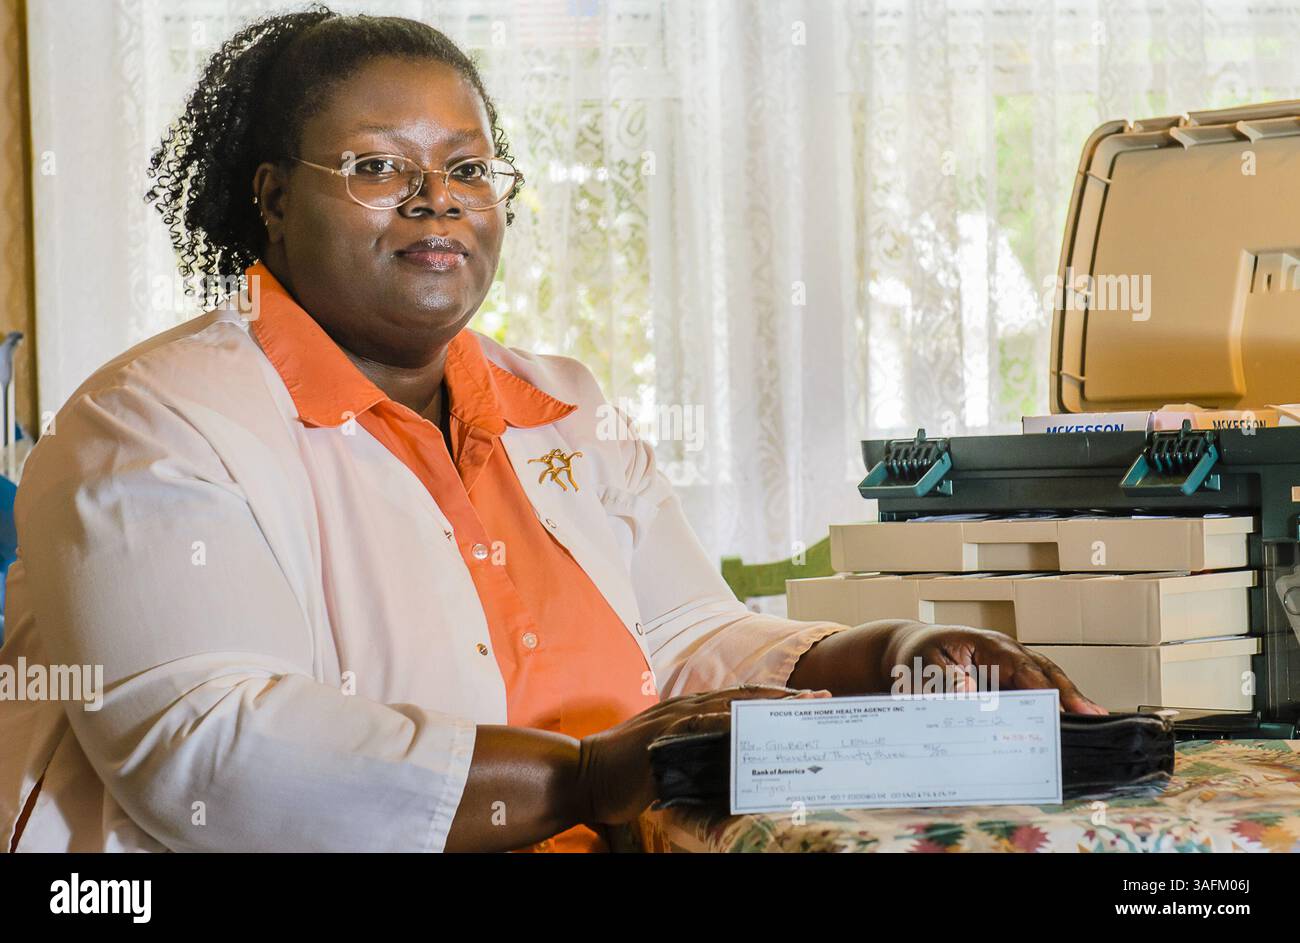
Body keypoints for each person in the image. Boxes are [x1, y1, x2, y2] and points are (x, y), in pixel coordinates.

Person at [0, 6, 1102, 854]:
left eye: (469, 168)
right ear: (273, 195)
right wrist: (586, 776)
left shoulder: (563, 403)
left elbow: (675, 641)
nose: (437, 199)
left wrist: (886, 657)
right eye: (378, 165)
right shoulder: (149, 426)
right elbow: (211, 753)